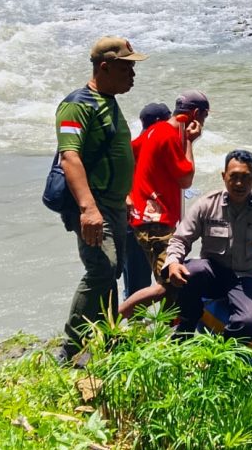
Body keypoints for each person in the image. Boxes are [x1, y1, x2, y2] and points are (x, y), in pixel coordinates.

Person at [54, 36, 144, 358]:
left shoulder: (109, 101)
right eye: (127, 68)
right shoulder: (78, 105)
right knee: (101, 269)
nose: (133, 75)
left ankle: (107, 337)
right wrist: (89, 209)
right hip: (94, 205)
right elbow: (70, 157)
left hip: (115, 203)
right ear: (104, 67)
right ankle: (71, 347)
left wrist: (126, 194)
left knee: (114, 267)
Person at [164, 149, 252, 339]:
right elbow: (181, 239)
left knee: (250, 321)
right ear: (223, 176)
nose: (239, 184)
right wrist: (173, 261)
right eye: (233, 176)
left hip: (245, 278)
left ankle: (219, 351)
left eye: (246, 177)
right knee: (191, 271)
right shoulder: (207, 204)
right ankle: (185, 330)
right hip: (212, 273)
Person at [119, 90, 209, 317]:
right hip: (156, 223)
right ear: (196, 114)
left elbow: (125, 154)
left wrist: (128, 192)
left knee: (170, 282)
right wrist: (189, 142)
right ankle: (111, 323)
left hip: (146, 218)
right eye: (204, 117)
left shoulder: (153, 130)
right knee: (171, 281)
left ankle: (165, 332)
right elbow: (186, 179)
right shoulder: (169, 135)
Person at [122, 101, 172, 298]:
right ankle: (143, 323)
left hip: (130, 220)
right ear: (160, 122)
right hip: (146, 222)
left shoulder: (131, 147)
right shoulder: (157, 147)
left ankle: (134, 324)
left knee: (134, 279)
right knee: (164, 280)